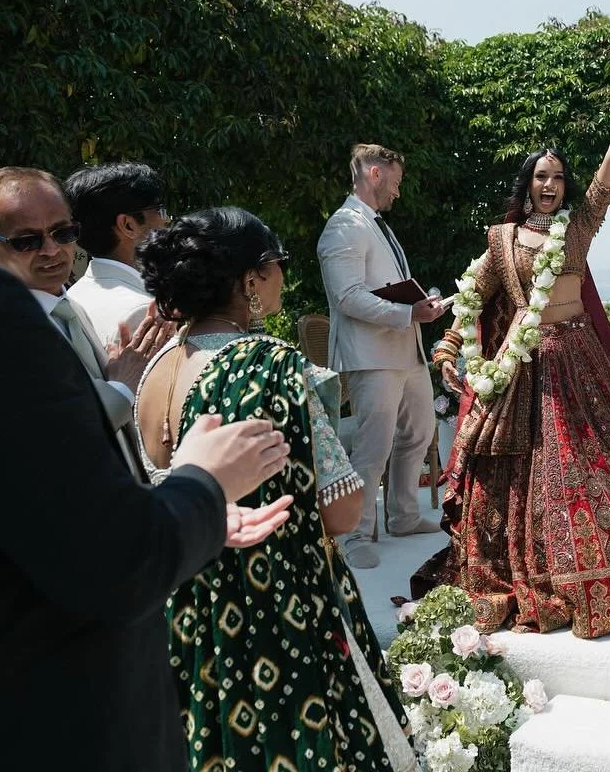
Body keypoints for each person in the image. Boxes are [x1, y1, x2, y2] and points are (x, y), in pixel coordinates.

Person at [0, 29, 293, 772]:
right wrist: (203, 476)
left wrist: (173, 499)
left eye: (63, 232)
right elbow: (115, 562)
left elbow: (30, 508)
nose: (53, 251)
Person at [135, 207, 416, 771]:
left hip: (189, 599)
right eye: (278, 264)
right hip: (276, 607)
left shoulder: (156, 367)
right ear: (250, 281)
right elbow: (341, 514)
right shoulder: (273, 364)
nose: (284, 275)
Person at [413, 67, 610, 639]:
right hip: (526, 367)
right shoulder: (501, 240)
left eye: (559, 177)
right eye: (541, 176)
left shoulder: (577, 230)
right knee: (521, 477)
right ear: (526, 183)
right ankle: (531, 571)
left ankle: (605, 575)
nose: (550, 185)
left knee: (594, 469)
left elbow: (607, 179)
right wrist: (448, 348)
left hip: (577, 362)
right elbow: (471, 297)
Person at [0, 165, 173, 477]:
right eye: (27, 241)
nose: (52, 251)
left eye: (64, 233)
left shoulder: (69, 306)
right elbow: (48, 436)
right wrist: (120, 386)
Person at [318, 143, 446, 569]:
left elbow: (384, 284)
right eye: (396, 181)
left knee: (420, 432)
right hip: (370, 356)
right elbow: (347, 296)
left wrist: (418, 304)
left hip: (405, 351)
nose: (398, 191)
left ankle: (404, 515)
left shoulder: (376, 225)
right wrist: (407, 311)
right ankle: (354, 533)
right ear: (375, 174)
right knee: (373, 448)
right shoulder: (343, 226)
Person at [65, 161, 169, 346]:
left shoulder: (73, 296)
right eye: (159, 210)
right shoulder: (142, 313)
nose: (166, 220)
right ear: (128, 225)